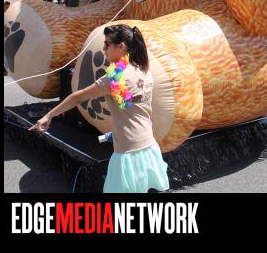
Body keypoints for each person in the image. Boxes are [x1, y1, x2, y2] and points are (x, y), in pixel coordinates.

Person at [29, 24, 170, 193]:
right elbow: (134, 108)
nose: (104, 49)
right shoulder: (144, 70)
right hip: (149, 147)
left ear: (121, 46)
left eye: (107, 44)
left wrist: (49, 115)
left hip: (127, 154)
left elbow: (78, 97)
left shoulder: (115, 77)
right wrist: (117, 132)